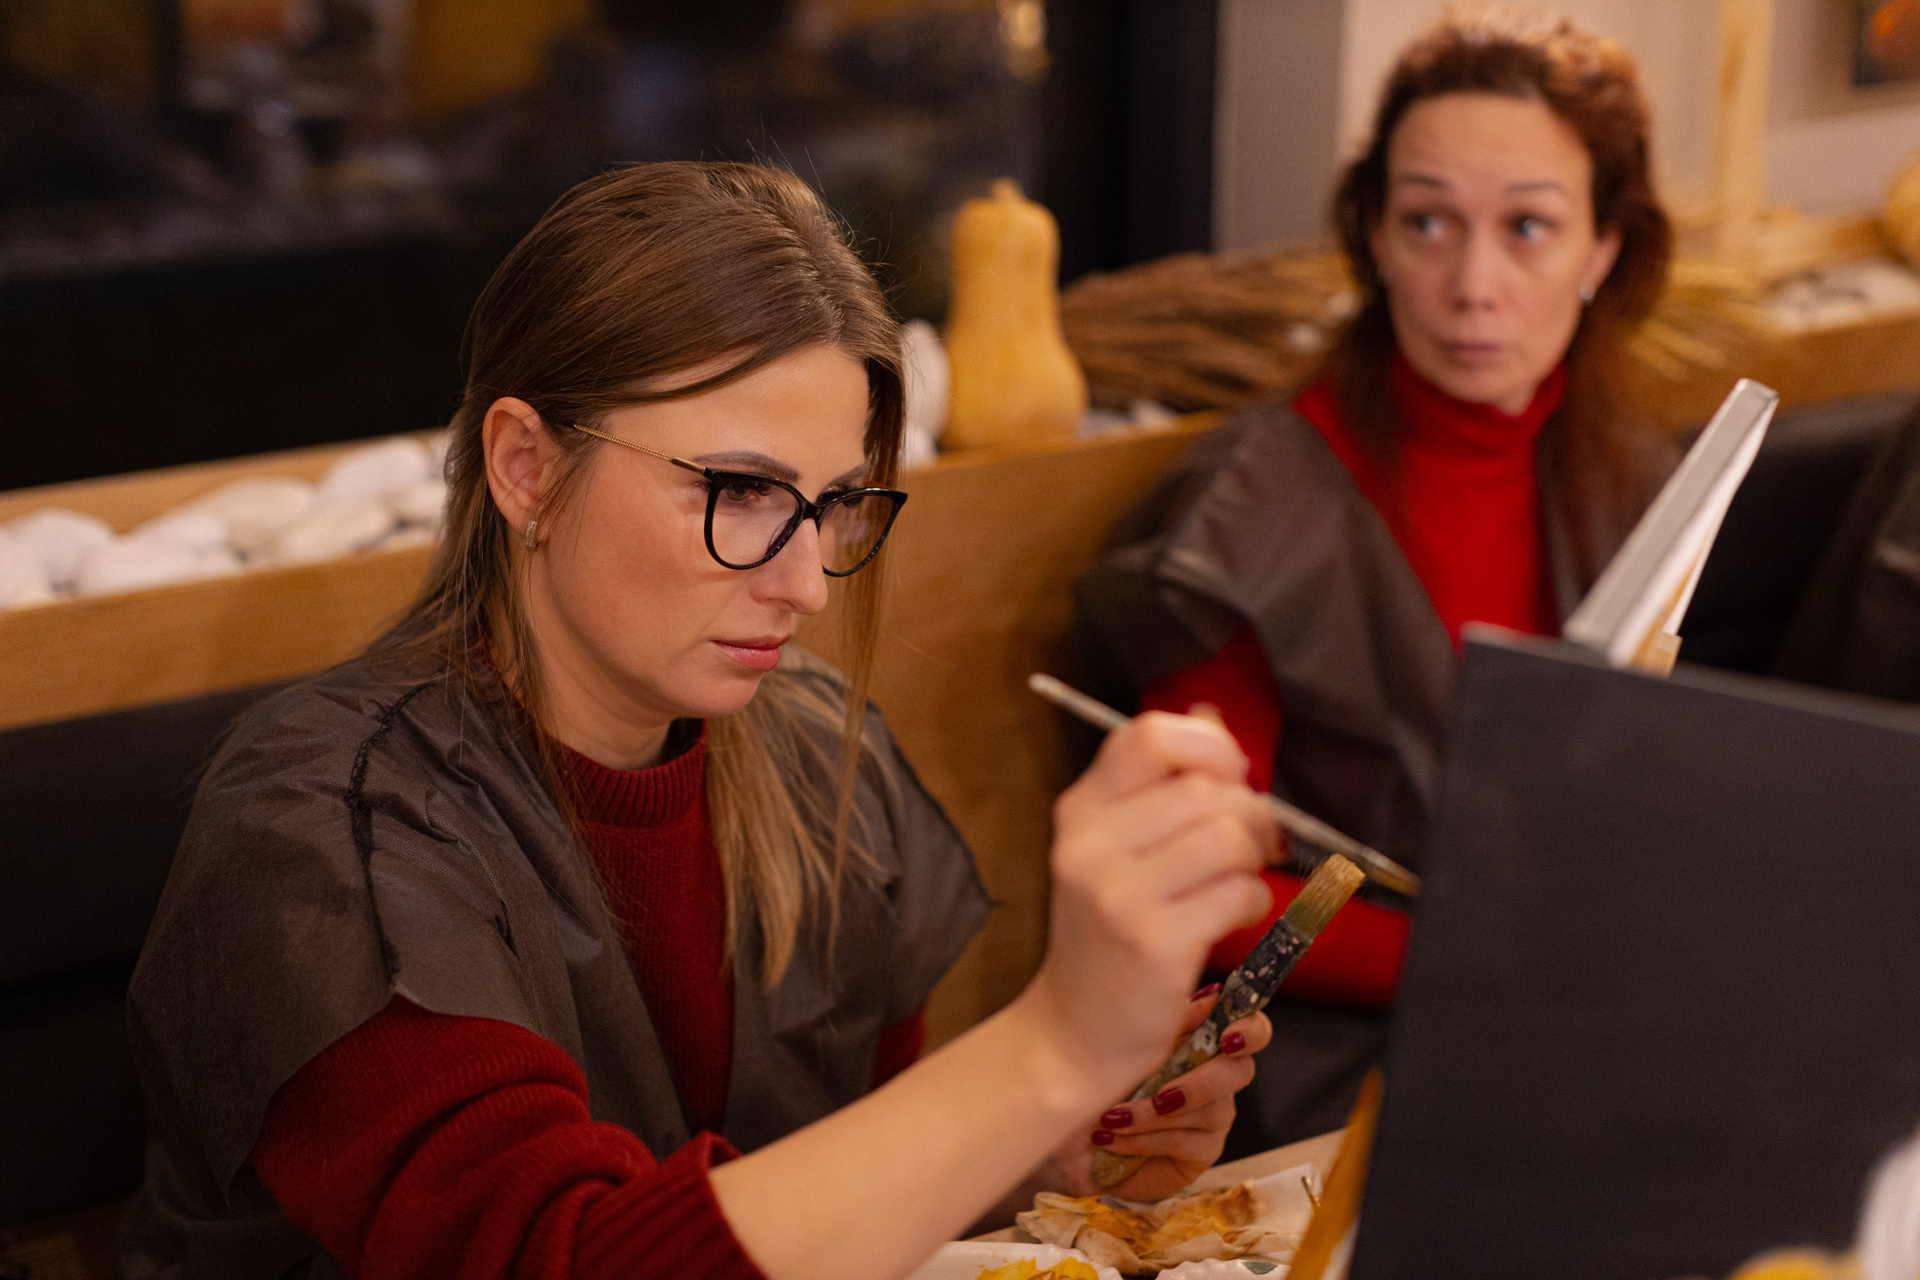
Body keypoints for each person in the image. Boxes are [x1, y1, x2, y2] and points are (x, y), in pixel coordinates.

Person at [117, 162, 1279, 1280]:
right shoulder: (330, 834)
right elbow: (554, 1258)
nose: (806, 585)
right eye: (741, 491)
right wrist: (1052, 1048)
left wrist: (1039, 1155)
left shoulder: (823, 755)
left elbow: (833, 1198)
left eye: (833, 505)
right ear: (525, 468)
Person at [1075, 10, 1676, 1152]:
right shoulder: (1253, 511)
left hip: (1569, 1024)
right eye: (1429, 221)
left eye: (1530, 227)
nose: (1473, 283)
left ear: (1604, 249)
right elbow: (1200, 887)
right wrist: (1478, 956)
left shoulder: (1632, 473)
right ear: (1376, 236)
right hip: (1324, 1077)